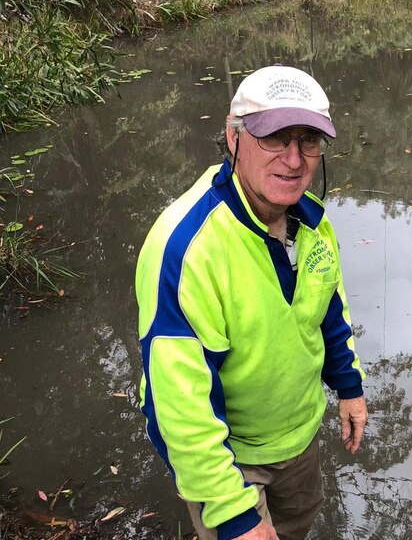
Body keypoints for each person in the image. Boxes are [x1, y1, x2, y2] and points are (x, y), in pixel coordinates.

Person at [135, 65, 367, 540]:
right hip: (232, 458)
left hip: (300, 438)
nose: (295, 159)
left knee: (296, 527)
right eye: (275, 137)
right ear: (232, 136)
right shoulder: (185, 248)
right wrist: (234, 513)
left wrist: (348, 386)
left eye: (308, 140)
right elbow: (177, 404)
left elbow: (327, 310)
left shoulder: (312, 221)